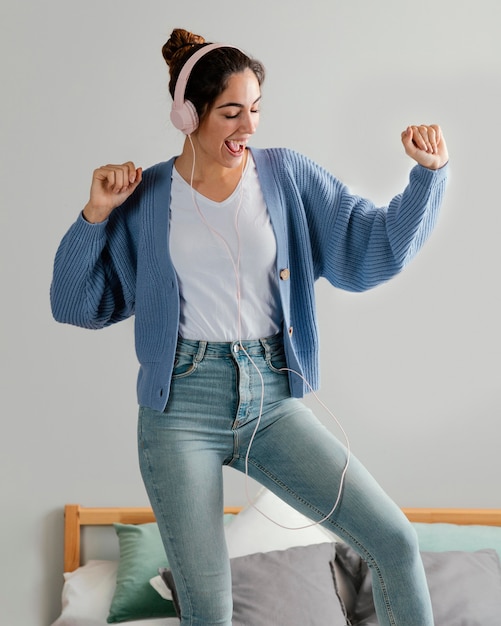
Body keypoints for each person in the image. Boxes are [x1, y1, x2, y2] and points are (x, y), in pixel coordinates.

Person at [51, 27, 448, 626]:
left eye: (256, 109)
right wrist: (95, 216)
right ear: (188, 115)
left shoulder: (287, 176)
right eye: (231, 112)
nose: (249, 127)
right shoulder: (148, 194)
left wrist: (428, 177)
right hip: (178, 406)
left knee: (394, 540)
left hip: (272, 394)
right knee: (209, 608)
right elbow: (75, 303)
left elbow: (370, 248)